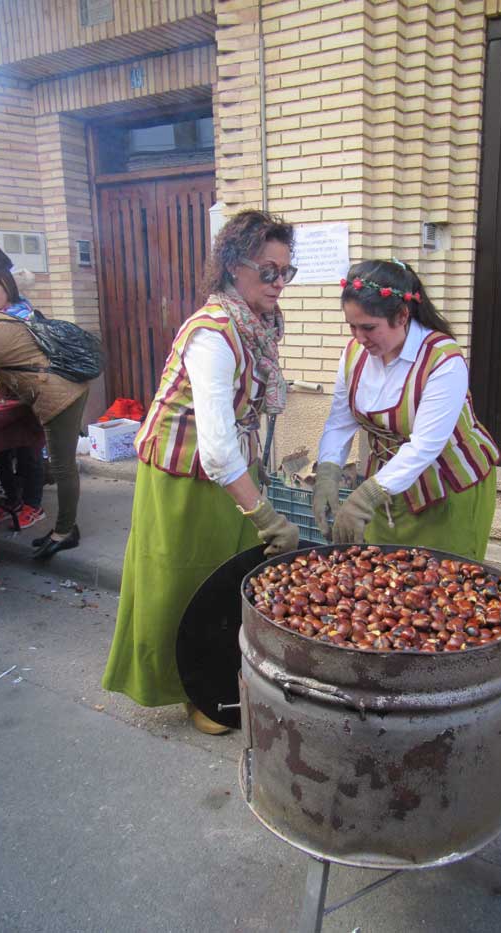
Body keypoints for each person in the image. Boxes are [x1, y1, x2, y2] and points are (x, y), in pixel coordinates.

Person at [102, 209, 300, 735]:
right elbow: (215, 448)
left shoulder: (258, 325)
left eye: (286, 271)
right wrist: (265, 515)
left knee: (225, 578)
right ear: (234, 266)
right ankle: (182, 689)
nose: (279, 282)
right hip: (184, 473)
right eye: (268, 270)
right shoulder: (212, 333)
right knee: (181, 581)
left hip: (231, 469)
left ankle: (218, 682)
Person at [313, 259, 499, 559]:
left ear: (402, 316)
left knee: (443, 579)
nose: (359, 338)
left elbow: (425, 446)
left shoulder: (443, 360)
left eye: (369, 327)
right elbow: (339, 422)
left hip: (447, 490)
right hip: (386, 488)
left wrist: (366, 496)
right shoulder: (353, 355)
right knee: (383, 573)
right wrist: (328, 472)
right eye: (352, 326)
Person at [0, 292, 89, 557]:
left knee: (62, 465)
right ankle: (62, 527)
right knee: (60, 462)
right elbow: (17, 356)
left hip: (62, 391)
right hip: (55, 382)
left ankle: (66, 532)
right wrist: (3, 383)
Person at [0, 263, 45, 529]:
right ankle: (10, 502)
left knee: (27, 449)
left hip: (27, 394)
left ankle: (33, 506)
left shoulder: (23, 317)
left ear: (7, 288)